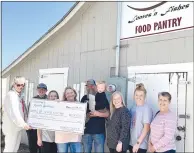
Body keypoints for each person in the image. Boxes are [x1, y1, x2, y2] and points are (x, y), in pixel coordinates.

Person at [2, 76, 31, 152]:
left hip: (17, 127)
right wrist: (23, 124)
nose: (21, 87)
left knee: (15, 148)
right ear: (14, 84)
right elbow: (14, 112)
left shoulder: (18, 95)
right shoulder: (11, 95)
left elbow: (23, 111)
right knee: (9, 149)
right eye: (18, 85)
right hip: (12, 127)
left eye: (23, 85)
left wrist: (26, 122)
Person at [81, 79, 110, 153]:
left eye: (92, 85)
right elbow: (81, 114)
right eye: (88, 86)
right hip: (86, 131)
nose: (90, 87)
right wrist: (89, 115)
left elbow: (107, 113)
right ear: (86, 87)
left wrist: (98, 113)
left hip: (99, 132)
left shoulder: (102, 96)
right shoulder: (84, 98)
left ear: (95, 86)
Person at [55, 86, 83, 153]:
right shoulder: (60, 104)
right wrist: (55, 103)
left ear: (75, 93)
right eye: (67, 93)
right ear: (65, 95)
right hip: (62, 137)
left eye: (71, 92)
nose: (70, 94)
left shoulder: (80, 106)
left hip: (75, 137)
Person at [129, 83, 153, 153]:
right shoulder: (133, 108)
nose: (138, 97)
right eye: (136, 95)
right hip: (131, 143)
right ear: (134, 96)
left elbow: (146, 128)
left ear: (144, 96)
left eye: (141, 95)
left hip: (140, 145)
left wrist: (137, 143)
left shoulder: (146, 109)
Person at [27, 83, 48, 153]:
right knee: (32, 148)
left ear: (46, 91)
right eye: (40, 89)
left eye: (43, 89)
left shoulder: (49, 99)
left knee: (42, 148)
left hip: (44, 129)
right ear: (37, 90)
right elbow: (29, 113)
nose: (41, 91)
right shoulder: (33, 100)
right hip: (33, 128)